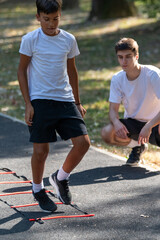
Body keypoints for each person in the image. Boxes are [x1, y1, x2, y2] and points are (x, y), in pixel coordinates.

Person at [17, 0, 90, 213]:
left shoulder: (68, 39)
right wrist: (28, 104)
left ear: (61, 16)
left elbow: (72, 71)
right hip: (39, 100)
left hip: (65, 100)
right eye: (46, 19)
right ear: (38, 17)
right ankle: (38, 189)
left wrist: (77, 101)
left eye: (55, 18)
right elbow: (22, 70)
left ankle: (60, 178)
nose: (51, 23)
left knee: (83, 143)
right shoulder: (30, 39)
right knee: (41, 151)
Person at [101, 37, 160, 166]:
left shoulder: (153, 74)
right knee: (107, 133)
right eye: (120, 57)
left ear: (136, 56)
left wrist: (149, 126)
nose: (124, 61)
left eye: (128, 56)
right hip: (134, 123)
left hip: (155, 122)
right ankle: (137, 146)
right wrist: (116, 123)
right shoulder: (117, 79)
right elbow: (112, 110)